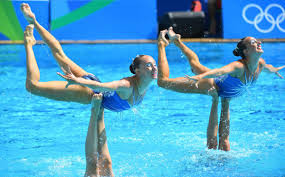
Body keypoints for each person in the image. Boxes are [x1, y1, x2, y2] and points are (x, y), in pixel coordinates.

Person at [21, 3, 157, 176]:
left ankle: (34, 21)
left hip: (93, 85)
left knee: (61, 55)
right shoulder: (127, 86)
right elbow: (102, 87)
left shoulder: (146, 84)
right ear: (137, 71)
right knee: (32, 86)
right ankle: (28, 43)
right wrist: (78, 81)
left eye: (154, 65)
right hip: (88, 91)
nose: (154, 68)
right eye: (149, 65)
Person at [157, 27, 285, 151]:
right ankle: (162, 45)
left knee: (196, 64)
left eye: (257, 41)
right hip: (211, 84)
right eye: (254, 42)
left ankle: (177, 41)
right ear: (245, 51)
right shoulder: (238, 67)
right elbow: (219, 71)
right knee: (163, 82)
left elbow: (268, 68)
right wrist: (200, 77)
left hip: (225, 93)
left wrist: (275, 71)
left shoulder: (260, 64)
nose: (259, 42)